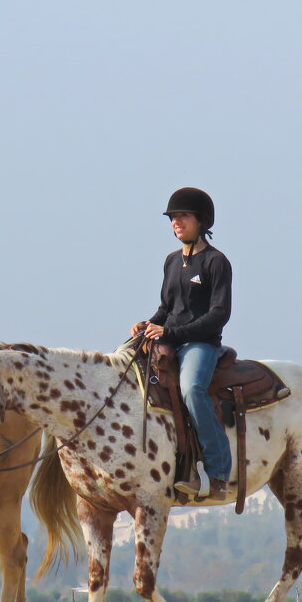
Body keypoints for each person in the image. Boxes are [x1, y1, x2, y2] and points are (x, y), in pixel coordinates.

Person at [132, 187, 232, 500]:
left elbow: (219, 314)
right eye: (173, 218)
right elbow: (166, 307)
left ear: (201, 221)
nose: (176, 222)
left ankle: (216, 472)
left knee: (192, 389)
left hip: (201, 344)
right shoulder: (172, 262)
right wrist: (148, 324)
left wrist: (172, 333)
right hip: (169, 338)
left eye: (183, 216)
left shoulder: (217, 262)